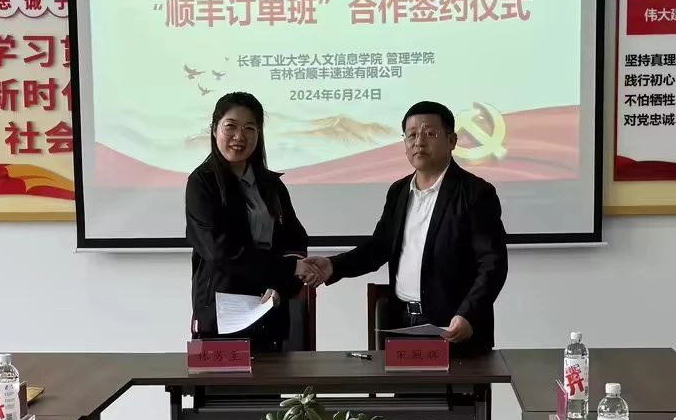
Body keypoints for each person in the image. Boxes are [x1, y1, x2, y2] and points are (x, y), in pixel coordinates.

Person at [300, 101, 508, 355]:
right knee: (406, 384)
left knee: (459, 384)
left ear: (452, 140)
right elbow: (379, 247)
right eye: (411, 135)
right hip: (404, 325)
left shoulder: (475, 193)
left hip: (455, 328)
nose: (419, 142)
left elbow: (493, 264)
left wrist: (469, 314)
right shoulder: (398, 191)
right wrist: (333, 266)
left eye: (430, 134)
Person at [185, 92, 310, 351]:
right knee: (223, 379)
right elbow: (219, 250)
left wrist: (281, 286)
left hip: (269, 312)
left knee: (271, 378)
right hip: (221, 317)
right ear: (214, 129)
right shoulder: (201, 183)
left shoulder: (272, 185)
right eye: (230, 126)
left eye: (250, 128)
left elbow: (295, 242)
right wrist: (285, 270)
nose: (239, 136)